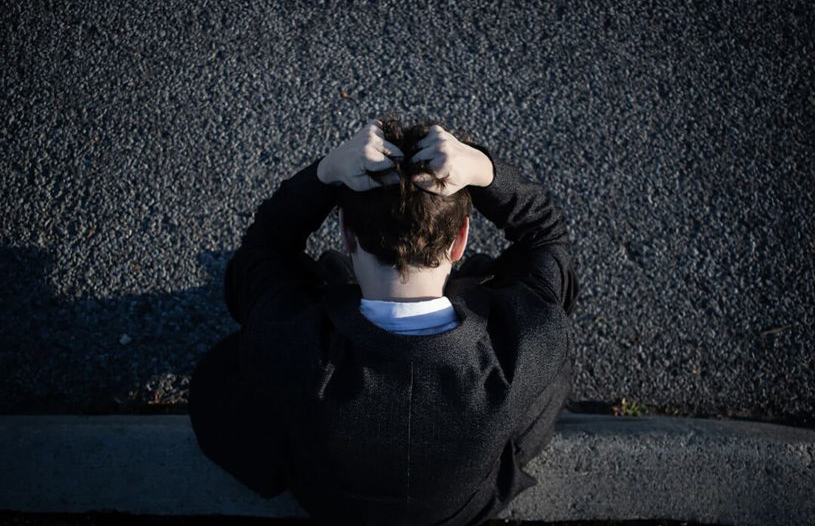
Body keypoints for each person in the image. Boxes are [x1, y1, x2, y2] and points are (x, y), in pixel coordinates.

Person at [188, 116, 580, 525]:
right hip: (460, 508)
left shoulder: (285, 336)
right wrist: (486, 171)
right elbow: (545, 236)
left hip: (329, 502)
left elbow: (263, 249)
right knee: (549, 368)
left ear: (346, 235)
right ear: (460, 238)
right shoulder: (527, 343)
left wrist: (324, 175)